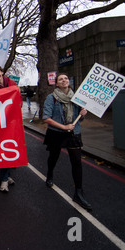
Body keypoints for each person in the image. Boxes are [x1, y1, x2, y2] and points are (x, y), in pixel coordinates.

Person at [42, 73, 92, 210]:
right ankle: (50, 174)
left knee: (76, 162)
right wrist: (63, 127)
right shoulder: (51, 98)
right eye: (60, 79)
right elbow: (46, 118)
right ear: (56, 84)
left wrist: (82, 114)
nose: (64, 80)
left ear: (68, 82)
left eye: (65, 78)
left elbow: (79, 119)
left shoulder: (76, 98)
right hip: (57, 133)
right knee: (53, 157)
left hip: (73, 133)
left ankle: (78, 192)